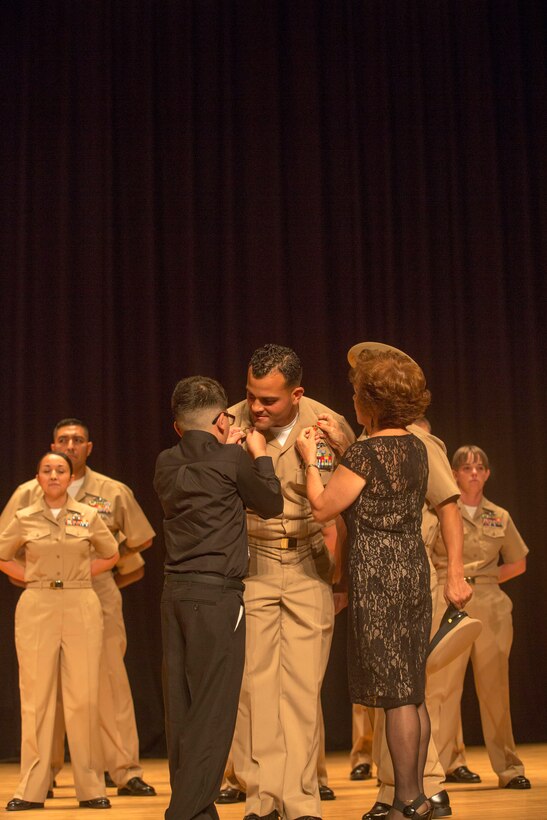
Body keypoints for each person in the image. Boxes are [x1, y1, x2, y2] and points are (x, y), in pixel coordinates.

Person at [296, 347, 470, 820]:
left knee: (395, 693)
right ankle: (415, 795)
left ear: (370, 401)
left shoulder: (367, 454)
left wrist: (311, 459)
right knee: (410, 688)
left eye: (356, 393)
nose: (352, 399)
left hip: (377, 572)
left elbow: (323, 507)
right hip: (411, 568)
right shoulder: (417, 447)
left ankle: (408, 800)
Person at [226, 343, 355, 820]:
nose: (256, 407)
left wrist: (340, 580)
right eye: (251, 395)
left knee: (302, 690)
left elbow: (345, 510)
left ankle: (302, 802)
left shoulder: (329, 425)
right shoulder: (230, 423)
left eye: (269, 400)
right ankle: (261, 800)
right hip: (252, 565)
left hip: (308, 564)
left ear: (296, 394)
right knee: (255, 689)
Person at [0, 418, 157, 797]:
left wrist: (106, 568)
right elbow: (6, 544)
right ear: (52, 445)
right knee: (43, 686)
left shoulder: (111, 491)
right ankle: (46, 772)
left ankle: (122, 769)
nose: (69, 446)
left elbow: (140, 538)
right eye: (63, 440)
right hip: (44, 593)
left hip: (95, 591)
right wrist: (34, 575)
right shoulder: (26, 494)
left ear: (89, 447)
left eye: (77, 440)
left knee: (105, 682)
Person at [154, 376, 283, 820]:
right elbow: (271, 502)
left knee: (183, 710)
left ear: (177, 427)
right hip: (216, 597)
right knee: (214, 709)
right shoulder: (233, 458)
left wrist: (224, 442)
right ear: (220, 419)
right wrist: (260, 455)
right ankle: (184, 814)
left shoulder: (165, 463)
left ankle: (199, 810)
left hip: (175, 595)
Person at [0, 453, 119, 811]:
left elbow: (111, 553)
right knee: (36, 698)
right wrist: (33, 577)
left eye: (61, 470)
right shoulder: (23, 518)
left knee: (84, 697)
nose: (54, 475)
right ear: (37, 477)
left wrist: (81, 574)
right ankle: (31, 788)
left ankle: (91, 786)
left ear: (70, 477)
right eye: (47, 470)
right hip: (37, 605)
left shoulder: (88, 515)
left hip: (81, 601)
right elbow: (4, 556)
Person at [427, 445, 531, 789]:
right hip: (447, 597)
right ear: (454, 474)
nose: (473, 473)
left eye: (479, 468)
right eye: (466, 468)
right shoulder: (442, 511)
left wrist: (482, 582)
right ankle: (439, 771)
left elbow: (517, 562)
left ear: (487, 474)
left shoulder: (498, 515)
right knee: (442, 689)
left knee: (495, 688)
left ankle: (508, 768)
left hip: (488, 600)